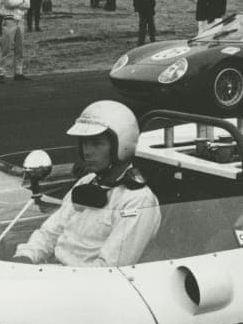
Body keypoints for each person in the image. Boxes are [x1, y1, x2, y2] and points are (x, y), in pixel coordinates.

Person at [12, 100, 160, 268]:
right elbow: (51, 232)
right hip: (56, 272)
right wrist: (26, 256)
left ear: (121, 146)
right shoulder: (87, 182)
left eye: (97, 144)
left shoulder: (137, 200)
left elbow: (109, 267)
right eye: (84, 143)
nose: (87, 151)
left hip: (87, 284)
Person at [0, 0, 30, 82]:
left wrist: (18, 2)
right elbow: (8, 3)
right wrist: (20, 0)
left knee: (19, 48)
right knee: (6, 48)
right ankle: (2, 72)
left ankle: (18, 72)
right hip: (9, 20)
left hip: (20, 20)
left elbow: (28, 3)